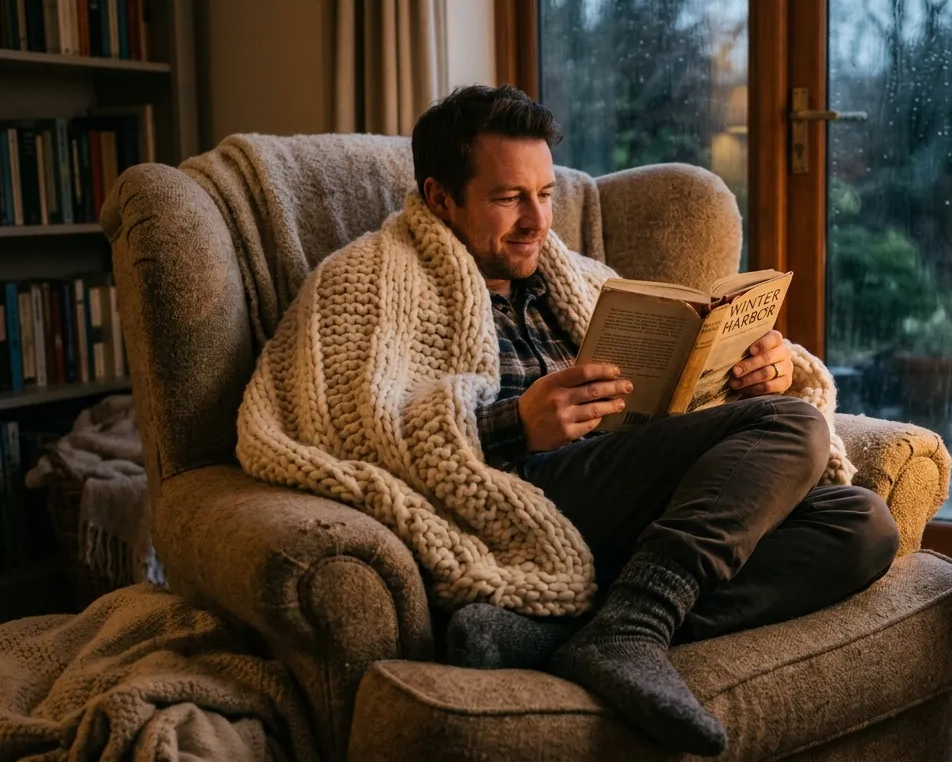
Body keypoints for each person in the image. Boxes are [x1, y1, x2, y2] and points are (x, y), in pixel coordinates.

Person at [241, 84, 899, 758]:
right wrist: (511, 426)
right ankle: (631, 627)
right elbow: (350, 430)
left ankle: (586, 628)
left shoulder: (585, 278)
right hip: (524, 491)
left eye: (545, 194)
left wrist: (760, 372)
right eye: (508, 199)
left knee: (862, 526)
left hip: (643, 495)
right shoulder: (364, 281)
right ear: (441, 198)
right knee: (791, 428)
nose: (536, 221)